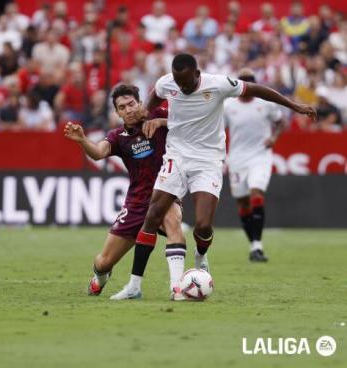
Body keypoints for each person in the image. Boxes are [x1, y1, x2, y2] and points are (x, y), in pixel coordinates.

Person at [122, 53, 316, 299]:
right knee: (152, 216)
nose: (182, 88)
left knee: (203, 225)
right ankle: (134, 285)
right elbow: (154, 98)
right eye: (178, 83)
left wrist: (295, 106)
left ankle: (201, 256)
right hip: (177, 156)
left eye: (187, 83)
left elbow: (257, 89)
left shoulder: (218, 84)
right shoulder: (167, 82)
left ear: (197, 74)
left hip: (208, 160)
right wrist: (146, 117)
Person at [63, 84, 186, 301]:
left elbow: (188, 123)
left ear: (140, 103)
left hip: (166, 192)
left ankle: (177, 289)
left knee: (173, 220)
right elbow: (99, 153)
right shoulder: (118, 136)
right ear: (117, 112)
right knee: (104, 261)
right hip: (136, 203)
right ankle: (100, 278)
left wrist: (160, 122)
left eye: (131, 104)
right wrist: (82, 140)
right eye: (122, 107)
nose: (128, 110)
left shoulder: (158, 114)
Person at [223, 69, 286, 262]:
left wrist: (274, 138)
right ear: (239, 84)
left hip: (260, 155)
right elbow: (219, 129)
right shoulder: (227, 106)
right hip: (237, 158)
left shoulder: (266, 104)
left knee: (256, 193)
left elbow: (281, 122)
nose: (248, 84)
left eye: (251, 81)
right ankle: (253, 246)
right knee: (242, 202)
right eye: (244, 81)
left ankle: (257, 245)